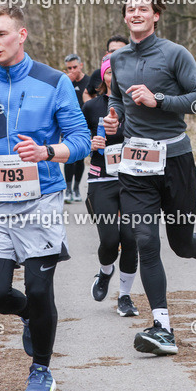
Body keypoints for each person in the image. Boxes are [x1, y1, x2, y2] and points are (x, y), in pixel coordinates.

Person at [0, 5, 90, 391]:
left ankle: (41, 369)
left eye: (1, 34)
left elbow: (81, 141)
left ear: (22, 35)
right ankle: (28, 318)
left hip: (42, 200)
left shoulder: (54, 81)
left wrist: (48, 152)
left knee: (39, 289)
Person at [102, 0, 196, 357]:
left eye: (143, 9)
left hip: (175, 161)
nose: (135, 14)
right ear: (125, 16)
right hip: (136, 164)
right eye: (130, 9)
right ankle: (162, 328)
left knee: (181, 244)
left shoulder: (176, 54)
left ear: (155, 15)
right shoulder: (118, 60)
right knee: (145, 242)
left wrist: (159, 100)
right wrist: (113, 119)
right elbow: (117, 101)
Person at [83, 57, 139, 317]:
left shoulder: (137, 105)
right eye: (109, 73)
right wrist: (89, 144)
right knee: (109, 240)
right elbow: (76, 139)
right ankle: (105, 272)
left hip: (131, 179)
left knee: (130, 239)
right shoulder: (92, 106)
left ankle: (125, 296)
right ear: (103, 77)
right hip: (101, 179)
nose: (113, 77)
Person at [62, 53, 88, 202]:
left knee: (80, 159)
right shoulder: (65, 82)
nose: (72, 70)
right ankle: (68, 189)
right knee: (68, 157)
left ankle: (77, 188)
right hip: (67, 126)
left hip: (84, 126)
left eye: (75, 67)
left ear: (81, 66)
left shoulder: (90, 82)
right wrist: (67, 83)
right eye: (69, 68)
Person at [85, 35, 129, 100]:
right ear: (107, 53)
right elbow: (86, 93)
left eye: (121, 51)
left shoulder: (135, 74)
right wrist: (93, 106)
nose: (116, 54)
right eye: (112, 51)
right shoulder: (98, 74)